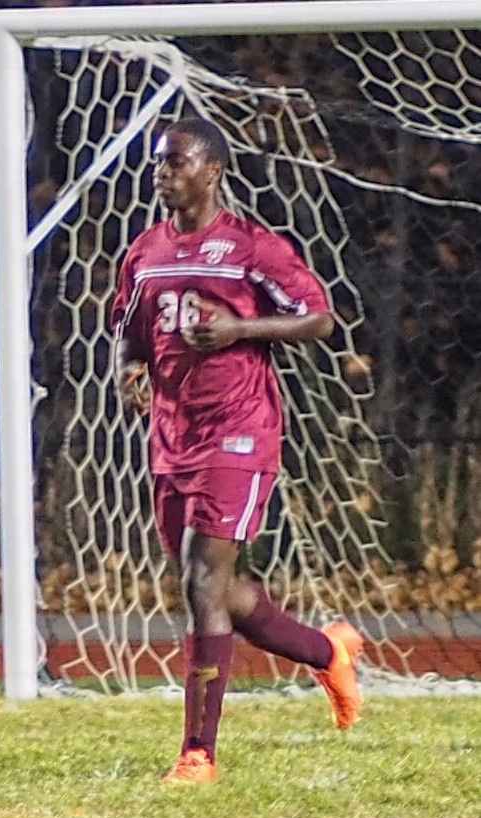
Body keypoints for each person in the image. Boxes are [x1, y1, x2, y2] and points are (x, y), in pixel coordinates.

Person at [110, 118, 363, 784]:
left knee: (202, 583)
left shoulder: (252, 247)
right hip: (172, 435)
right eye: (157, 162)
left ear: (212, 170)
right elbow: (128, 328)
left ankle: (198, 753)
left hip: (240, 429)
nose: (162, 173)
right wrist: (129, 368)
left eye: (176, 161)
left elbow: (318, 318)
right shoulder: (144, 251)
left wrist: (239, 328)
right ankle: (327, 652)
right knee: (216, 588)